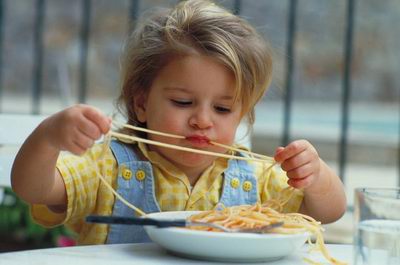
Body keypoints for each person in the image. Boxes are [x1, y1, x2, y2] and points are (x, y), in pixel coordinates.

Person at [11, 0, 346, 245]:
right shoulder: (108, 168)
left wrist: (316, 178)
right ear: (141, 103)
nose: (202, 120)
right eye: (183, 102)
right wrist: (48, 138)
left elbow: (329, 212)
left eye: (223, 109)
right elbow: (34, 189)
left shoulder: (255, 180)